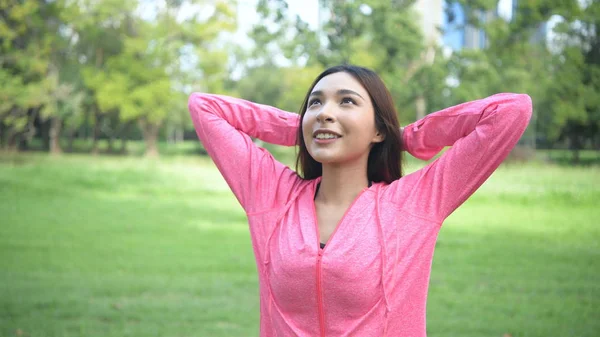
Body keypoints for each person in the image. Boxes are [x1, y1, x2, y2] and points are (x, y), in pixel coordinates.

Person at [187, 64, 532, 337]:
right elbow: (204, 107)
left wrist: (405, 137)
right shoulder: (272, 196)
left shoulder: (413, 204)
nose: (324, 112)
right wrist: (302, 128)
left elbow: (511, 110)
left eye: (347, 101)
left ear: (378, 129)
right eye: (315, 103)